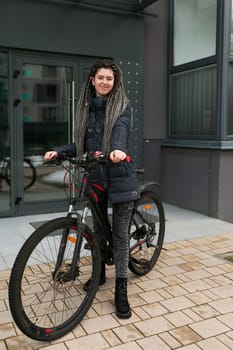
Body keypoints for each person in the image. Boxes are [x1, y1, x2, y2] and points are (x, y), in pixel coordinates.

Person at [44, 59, 139, 319]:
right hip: (96, 177)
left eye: (110, 78)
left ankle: (121, 288)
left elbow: (120, 131)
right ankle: (99, 275)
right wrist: (59, 151)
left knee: (119, 236)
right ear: (92, 80)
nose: (105, 82)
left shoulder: (122, 107)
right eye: (101, 78)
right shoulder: (85, 109)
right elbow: (81, 145)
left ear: (115, 82)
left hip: (120, 175)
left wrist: (118, 149)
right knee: (98, 232)